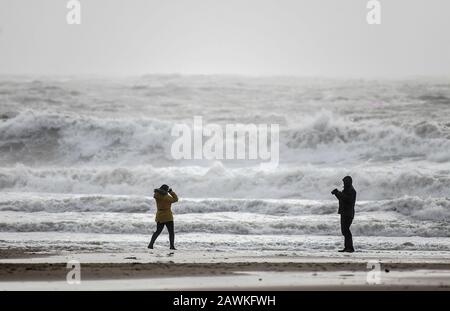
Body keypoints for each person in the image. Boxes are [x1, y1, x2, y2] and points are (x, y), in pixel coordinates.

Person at [148, 184, 179, 250]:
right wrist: (171, 192)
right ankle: (172, 246)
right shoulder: (166, 197)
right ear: (166, 190)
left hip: (160, 216)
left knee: (158, 231)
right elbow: (176, 199)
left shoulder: (157, 195)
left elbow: (156, 194)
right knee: (171, 232)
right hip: (167, 216)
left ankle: (151, 244)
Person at [331, 176, 356, 253]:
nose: (344, 183)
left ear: (349, 182)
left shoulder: (352, 191)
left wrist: (338, 193)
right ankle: (347, 247)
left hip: (348, 213)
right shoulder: (346, 190)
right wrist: (336, 194)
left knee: (346, 230)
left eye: (345, 182)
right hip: (344, 212)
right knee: (344, 231)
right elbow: (342, 199)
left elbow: (348, 200)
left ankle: (350, 248)